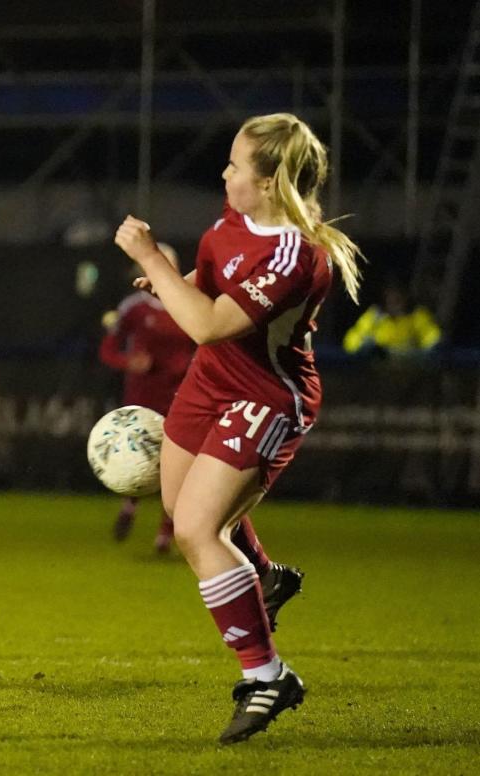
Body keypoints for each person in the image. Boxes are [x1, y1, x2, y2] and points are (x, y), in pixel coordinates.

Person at [114, 112, 363, 744]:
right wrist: (179, 279)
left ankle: (267, 676)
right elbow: (217, 284)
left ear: (272, 181)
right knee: (176, 505)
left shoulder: (294, 256)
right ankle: (265, 576)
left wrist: (151, 258)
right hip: (208, 384)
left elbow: (208, 325)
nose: (224, 173)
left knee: (197, 528)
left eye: (234, 165)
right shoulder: (231, 222)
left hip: (266, 394)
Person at [98, 243, 195, 553]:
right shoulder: (135, 308)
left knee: (176, 468)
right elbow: (108, 349)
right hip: (142, 397)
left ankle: (165, 535)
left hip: (182, 396)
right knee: (142, 462)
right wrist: (129, 361)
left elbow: (207, 340)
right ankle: (130, 505)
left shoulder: (190, 303)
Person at [342, 279, 440, 358]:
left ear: (406, 297)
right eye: (390, 297)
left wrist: (409, 354)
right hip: (376, 371)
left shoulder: (417, 316)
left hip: (408, 370)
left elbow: (433, 341)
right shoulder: (374, 317)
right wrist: (366, 346)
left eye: (398, 298)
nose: (394, 301)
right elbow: (350, 343)